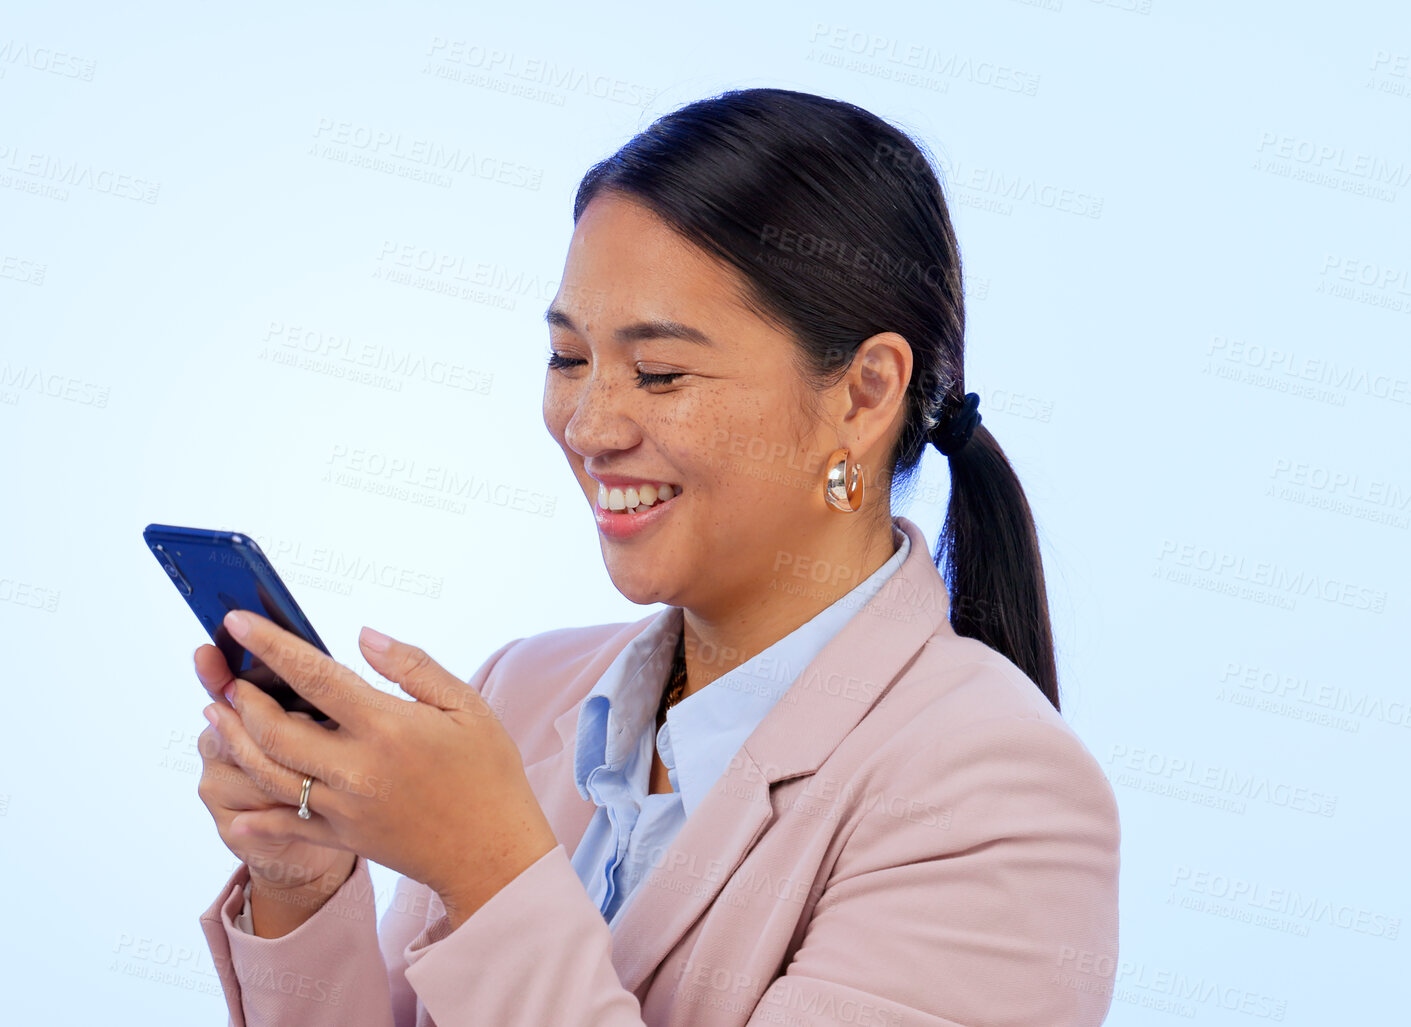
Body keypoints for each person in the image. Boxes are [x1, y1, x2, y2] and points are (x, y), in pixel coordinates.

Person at [188, 87, 1119, 1026]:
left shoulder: (998, 797)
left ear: (864, 392)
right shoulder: (522, 692)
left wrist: (488, 871)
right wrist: (301, 883)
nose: (588, 426)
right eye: (567, 358)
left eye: (660, 373)